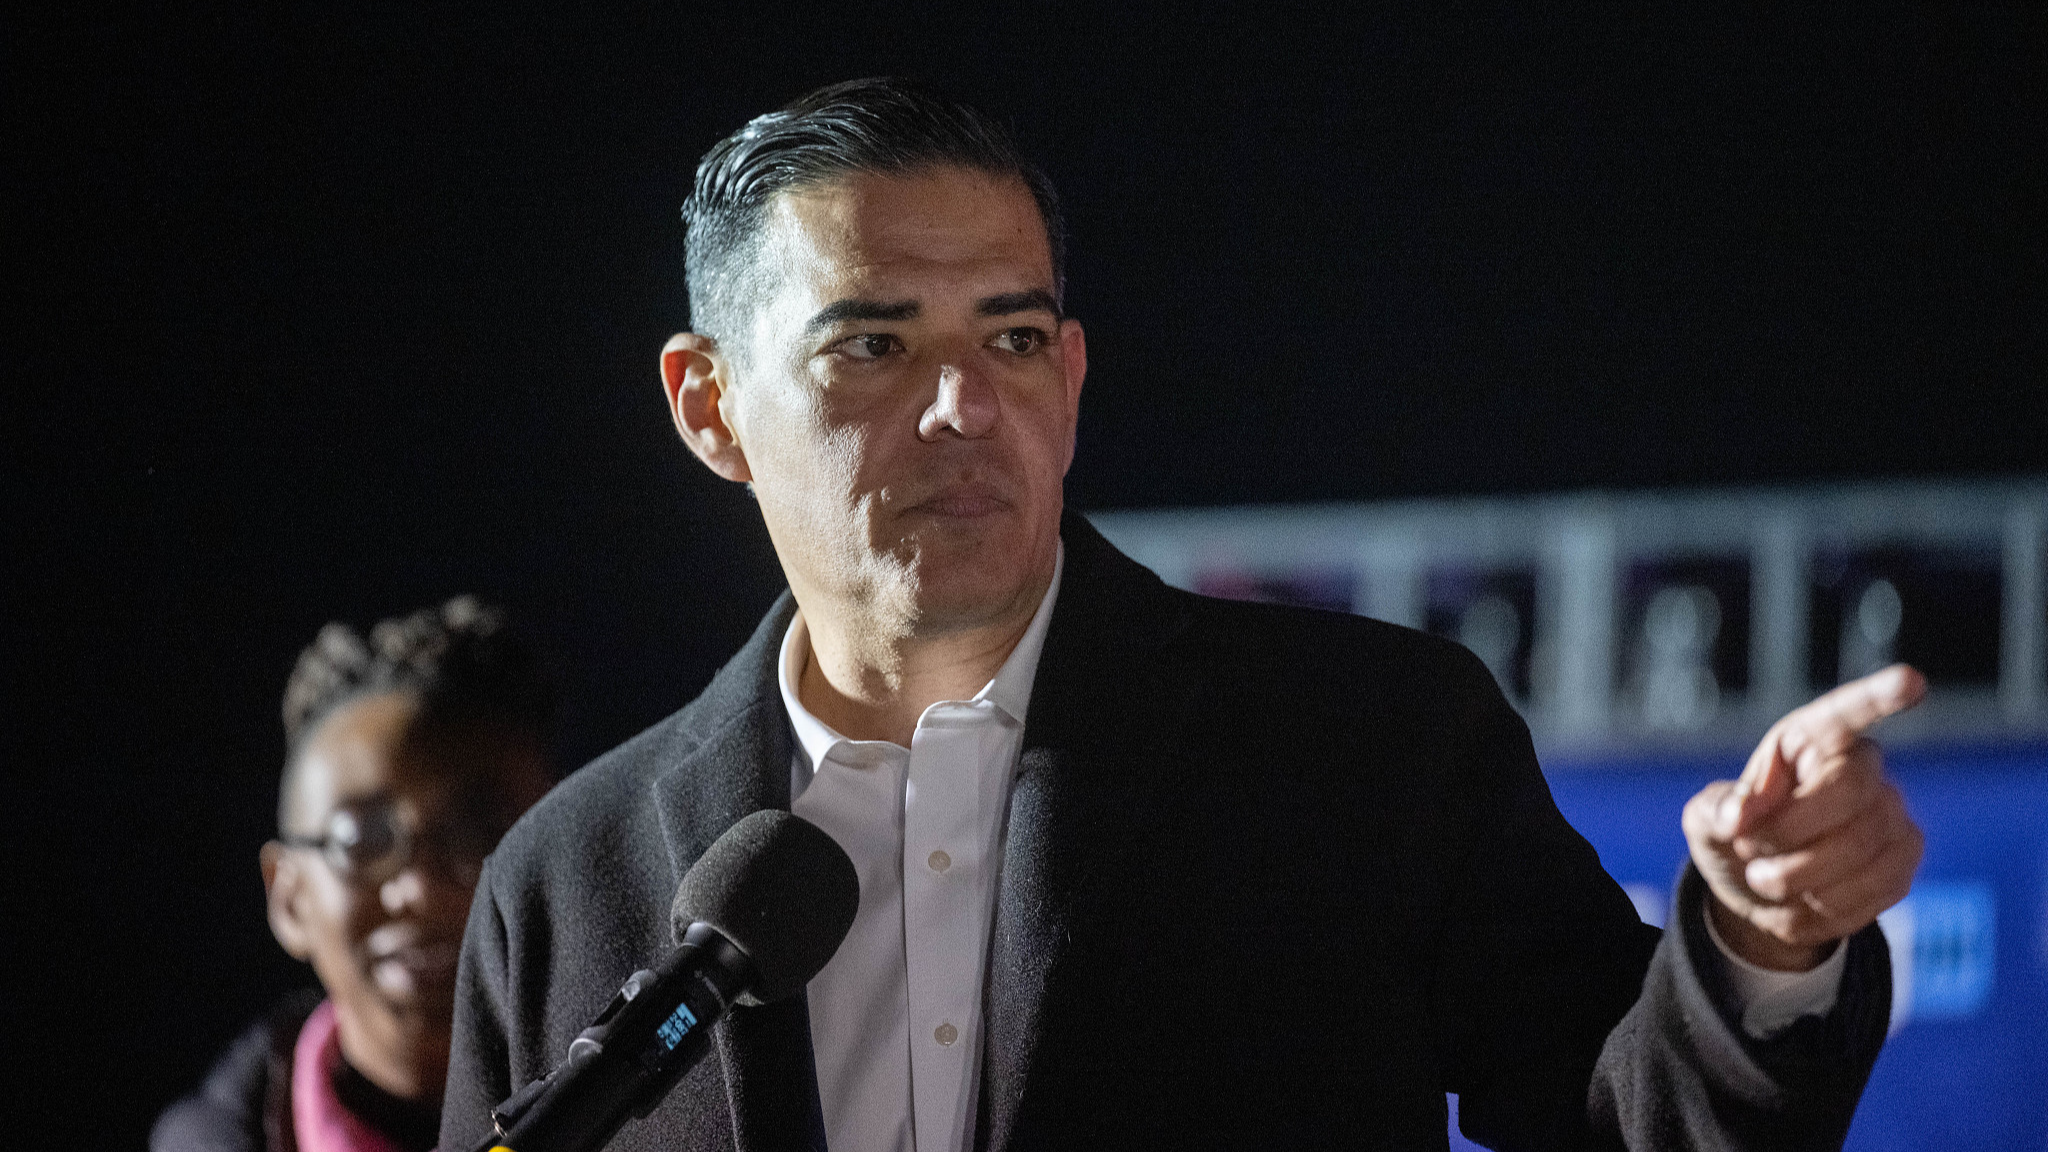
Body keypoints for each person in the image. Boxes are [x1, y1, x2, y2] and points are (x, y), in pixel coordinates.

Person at [441, 80, 1925, 1151]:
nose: (966, 407)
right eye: (875, 345)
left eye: (1012, 337)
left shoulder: (1370, 744)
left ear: (1073, 380)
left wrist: (1757, 947)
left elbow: (1620, 1121)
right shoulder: (569, 879)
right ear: (710, 407)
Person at [156, 597, 556, 1152]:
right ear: (289, 898)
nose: (420, 889)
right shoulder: (215, 1139)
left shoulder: (680, 1084)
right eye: (362, 840)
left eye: (477, 834)